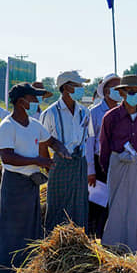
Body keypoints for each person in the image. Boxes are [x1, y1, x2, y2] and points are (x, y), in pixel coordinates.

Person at [0, 83, 69, 273]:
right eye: (32, 98)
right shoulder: (8, 126)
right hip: (14, 183)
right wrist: (38, 160)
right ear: (21, 102)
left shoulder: (35, 125)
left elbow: (51, 140)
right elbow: (7, 157)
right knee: (12, 228)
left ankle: (27, 272)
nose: (37, 102)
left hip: (31, 183)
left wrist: (61, 148)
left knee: (31, 227)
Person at [99, 75, 137, 252]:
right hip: (118, 162)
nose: (135, 95)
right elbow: (104, 145)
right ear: (121, 93)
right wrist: (107, 169)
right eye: (130, 92)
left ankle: (136, 244)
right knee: (118, 204)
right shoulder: (111, 117)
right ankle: (113, 244)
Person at [40, 71, 91, 232]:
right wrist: (49, 166)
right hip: (60, 163)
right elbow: (42, 143)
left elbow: (87, 139)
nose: (82, 89)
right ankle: (55, 241)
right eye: (78, 86)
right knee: (58, 204)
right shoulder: (50, 113)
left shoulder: (84, 111)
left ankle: (78, 240)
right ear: (67, 87)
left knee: (79, 204)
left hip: (79, 162)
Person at [86, 73, 121, 238]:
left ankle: (110, 235)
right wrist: (90, 170)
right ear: (106, 91)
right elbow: (89, 142)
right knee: (97, 201)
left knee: (114, 201)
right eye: (115, 88)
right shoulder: (94, 113)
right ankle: (95, 236)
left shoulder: (124, 111)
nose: (119, 92)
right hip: (99, 162)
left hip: (118, 162)